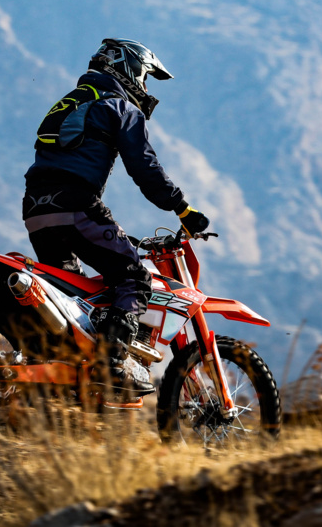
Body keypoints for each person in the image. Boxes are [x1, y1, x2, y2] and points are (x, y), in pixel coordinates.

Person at [23, 38, 210, 396]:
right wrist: (183, 209)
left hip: (36, 209)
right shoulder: (118, 106)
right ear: (130, 70)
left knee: (70, 299)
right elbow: (146, 169)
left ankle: (54, 378)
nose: (145, 88)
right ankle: (113, 362)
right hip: (77, 207)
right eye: (145, 78)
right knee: (134, 278)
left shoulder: (68, 102)